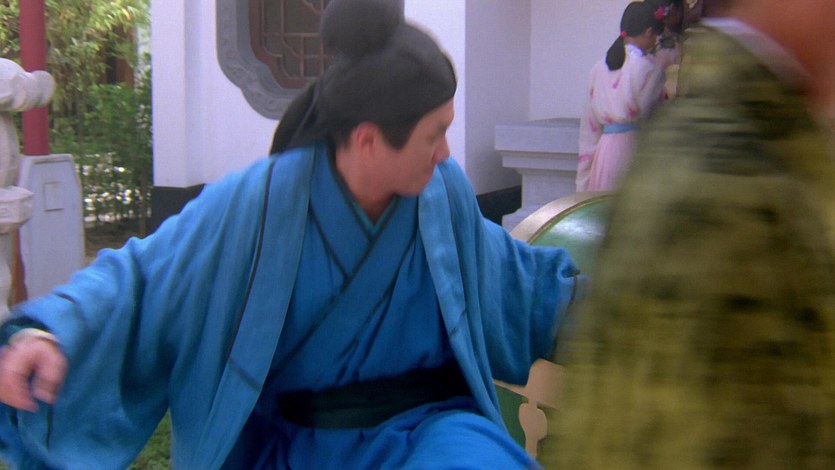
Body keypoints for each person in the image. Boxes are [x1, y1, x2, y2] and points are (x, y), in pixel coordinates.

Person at [0, 0, 585, 468]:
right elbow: (143, 278)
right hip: (297, 444)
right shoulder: (258, 206)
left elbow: (508, 277)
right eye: (434, 134)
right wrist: (53, 333)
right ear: (368, 139)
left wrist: (589, 307)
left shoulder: (441, 194)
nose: (446, 152)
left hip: (430, 432)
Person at [542, 0, 835, 468]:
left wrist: (582, 181)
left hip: (608, 152)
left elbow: (588, 127)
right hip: (626, 144)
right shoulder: (724, 167)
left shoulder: (606, 71)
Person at [575, 1, 667, 193]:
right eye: (655, 36)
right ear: (649, 32)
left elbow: (589, 127)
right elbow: (656, 118)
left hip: (604, 154)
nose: (655, 42)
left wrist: (583, 180)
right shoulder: (649, 69)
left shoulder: (599, 68)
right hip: (633, 149)